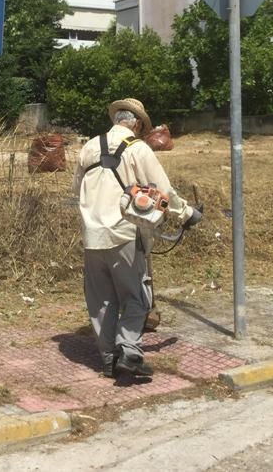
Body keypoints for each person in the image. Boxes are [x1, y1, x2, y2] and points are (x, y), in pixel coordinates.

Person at [72, 98, 202, 378]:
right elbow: (163, 194)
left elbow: (77, 189)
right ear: (138, 123)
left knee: (101, 302)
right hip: (125, 235)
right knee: (137, 299)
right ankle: (129, 353)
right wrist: (186, 214)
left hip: (92, 237)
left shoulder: (89, 146)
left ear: (116, 119)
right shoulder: (138, 149)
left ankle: (108, 360)